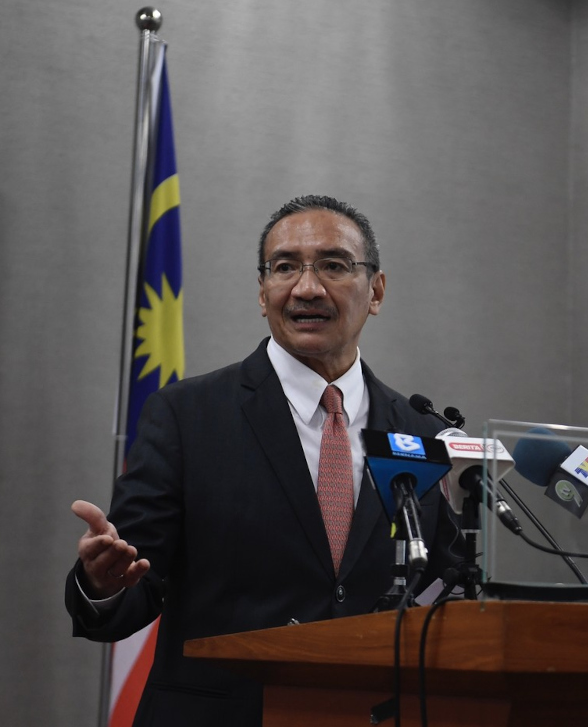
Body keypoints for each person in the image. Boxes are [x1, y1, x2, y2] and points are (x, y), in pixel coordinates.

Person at [65, 195, 464, 726]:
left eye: (333, 265)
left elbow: (448, 585)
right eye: (284, 268)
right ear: (262, 292)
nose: (306, 287)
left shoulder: (418, 430)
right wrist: (104, 585)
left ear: (377, 292)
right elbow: (137, 585)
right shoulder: (187, 415)